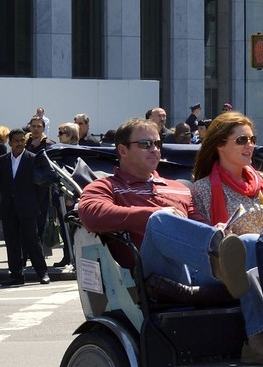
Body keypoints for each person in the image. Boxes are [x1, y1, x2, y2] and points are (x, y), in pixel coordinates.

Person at [76, 117, 236, 310]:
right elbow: (91, 214)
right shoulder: (106, 186)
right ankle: (222, 258)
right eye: (145, 144)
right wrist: (153, 214)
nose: (154, 149)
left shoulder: (180, 188)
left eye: (158, 143)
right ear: (122, 150)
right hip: (149, 274)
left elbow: (197, 224)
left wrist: (214, 229)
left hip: (196, 268)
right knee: (160, 220)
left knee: (252, 241)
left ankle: (257, 333)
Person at [188, 112, 263, 362]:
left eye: (252, 139)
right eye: (241, 140)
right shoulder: (202, 189)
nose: (249, 145)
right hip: (228, 266)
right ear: (219, 145)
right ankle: (257, 334)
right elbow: (204, 239)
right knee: (247, 244)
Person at [0, 128, 49, 286]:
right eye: (16, 141)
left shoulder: (33, 158)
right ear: (9, 143)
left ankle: (42, 272)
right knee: (12, 241)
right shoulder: (2, 160)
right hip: (9, 207)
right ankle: (16, 274)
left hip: (28, 207)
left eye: (22, 140)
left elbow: (41, 186)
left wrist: (35, 202)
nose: (20, 143)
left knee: (32, 240)